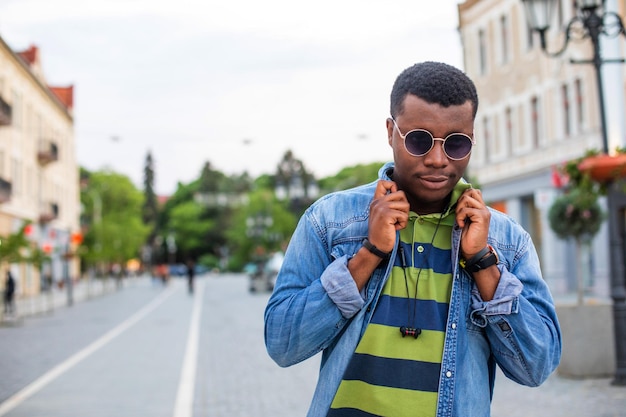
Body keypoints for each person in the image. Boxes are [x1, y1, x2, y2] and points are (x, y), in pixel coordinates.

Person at [264, 61, 561, 417]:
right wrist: (368, 254)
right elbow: (283, 344)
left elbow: (536, 366)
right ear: (391, 132)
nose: (438, 160)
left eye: (456, 143)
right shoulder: (329, 221)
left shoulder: (506, 239)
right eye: (419, 140)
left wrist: (483, 262)